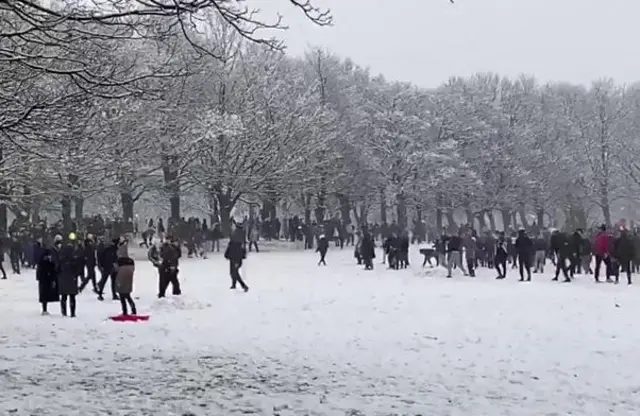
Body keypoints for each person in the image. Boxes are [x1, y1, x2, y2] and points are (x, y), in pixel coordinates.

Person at [36, 248, 59, 315]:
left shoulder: (42, 260)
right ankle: (44, 309)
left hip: (43, 280)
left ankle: (44, 309)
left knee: (44, 295)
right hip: (46, 279)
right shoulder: (48, 261)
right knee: (45, 295)